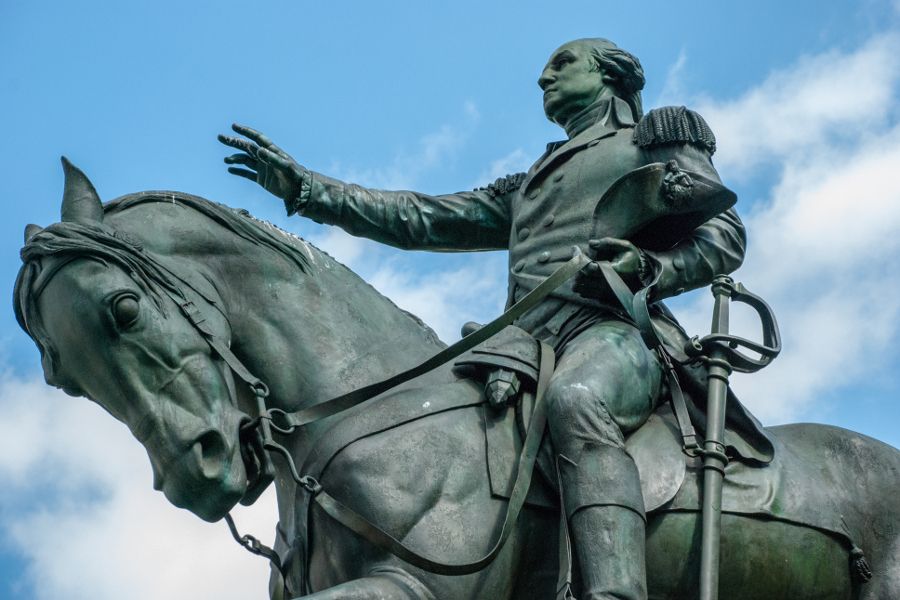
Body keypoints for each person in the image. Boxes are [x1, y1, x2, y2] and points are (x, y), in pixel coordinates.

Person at [219, 38, 753, 600]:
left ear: (610, 76)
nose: (544, 77)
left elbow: (724, 236)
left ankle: (614, 591)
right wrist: (309, 190)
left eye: (562, 64)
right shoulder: (532, 181)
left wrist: (647, 265)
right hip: (521, 345)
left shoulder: (653, 142)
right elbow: (422, 218)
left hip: (613, 331)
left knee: (577, 400)